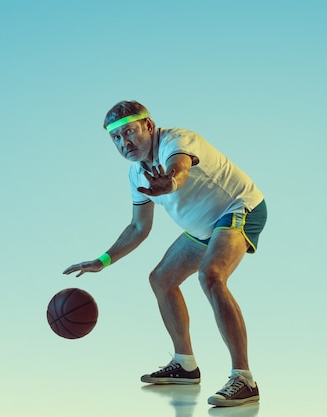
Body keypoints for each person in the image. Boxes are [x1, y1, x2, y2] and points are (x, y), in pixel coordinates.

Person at [63, 100, 267, 407]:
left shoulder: (177, 140)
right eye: (116, 138)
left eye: (129, 132)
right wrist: (103, 260)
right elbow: (138, 228)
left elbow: (180, 168)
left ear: (147, 125)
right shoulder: (136, 175)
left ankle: (244, 379)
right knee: (161, 279)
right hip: (205, 227)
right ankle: (185, 365)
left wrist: (170, 182)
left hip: (238, 208)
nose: (124, 142)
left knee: (211, 276)